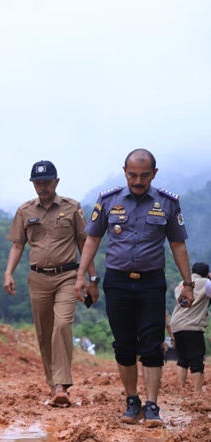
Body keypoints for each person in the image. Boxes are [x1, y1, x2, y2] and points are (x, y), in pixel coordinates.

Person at [74, 148, 194, 428]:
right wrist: (82, 276)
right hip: (117, 282)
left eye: (144, 175)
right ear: (124, 172)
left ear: (154, 173)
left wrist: (188, 284)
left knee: (152, 345)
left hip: (152, 283)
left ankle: (152, 406)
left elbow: (178, 245)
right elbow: (92, 240)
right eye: (132, 175)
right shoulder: (108, 201)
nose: (138, 181)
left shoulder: (167, 203)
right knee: (124, 345)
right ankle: (132, 401)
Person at [3, 160, 98, 408]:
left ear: (56, 181)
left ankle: (61, 385)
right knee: (44, 333)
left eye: (47, 182)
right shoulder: (25, 211)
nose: (42, 187)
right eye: (38, 182)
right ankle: (53, 385)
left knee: (62, 325)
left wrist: (91, 278)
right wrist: (8, 273)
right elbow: (17, 245)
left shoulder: (72, 208)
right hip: (38, 279)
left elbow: (84, 243)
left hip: (67, 276)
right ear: (33, 184)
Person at [170, 262, 211, 394]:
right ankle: (197, 392)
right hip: (192, 326)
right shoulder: (206, 283)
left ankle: (180, 390)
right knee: (196, 359)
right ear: (206, 273)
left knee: (182, 359)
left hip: (176, 325)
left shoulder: (181, 284)